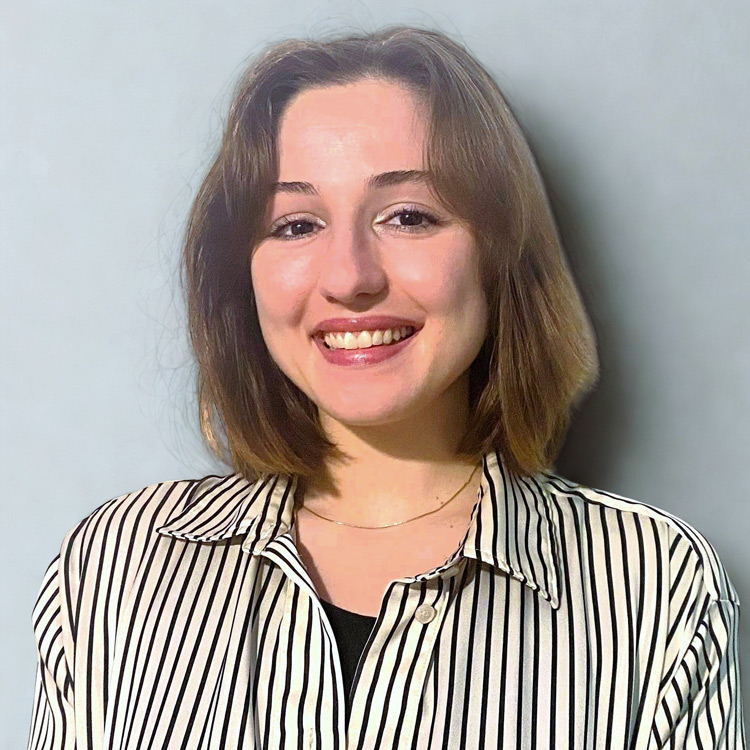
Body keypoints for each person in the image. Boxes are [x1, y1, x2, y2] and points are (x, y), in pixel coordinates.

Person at [27, 24, 744, 750]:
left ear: (498, 254)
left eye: (408, 216)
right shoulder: (111, 569)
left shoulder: (657, 589)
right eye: (296, 224)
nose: (349, 276)